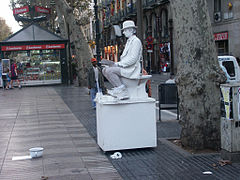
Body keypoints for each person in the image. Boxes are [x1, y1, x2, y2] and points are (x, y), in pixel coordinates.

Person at [101, 20, 142, 100]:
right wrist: (114, 63)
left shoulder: (136, 41)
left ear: (130, 30)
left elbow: (133, 59)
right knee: (105, 70)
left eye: (125, 30)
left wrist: (118, 64)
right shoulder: (129, 41)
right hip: (126, 67)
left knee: (110, 71)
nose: (123, 33)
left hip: (132, 69)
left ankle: (122, 91)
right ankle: (118, 88)